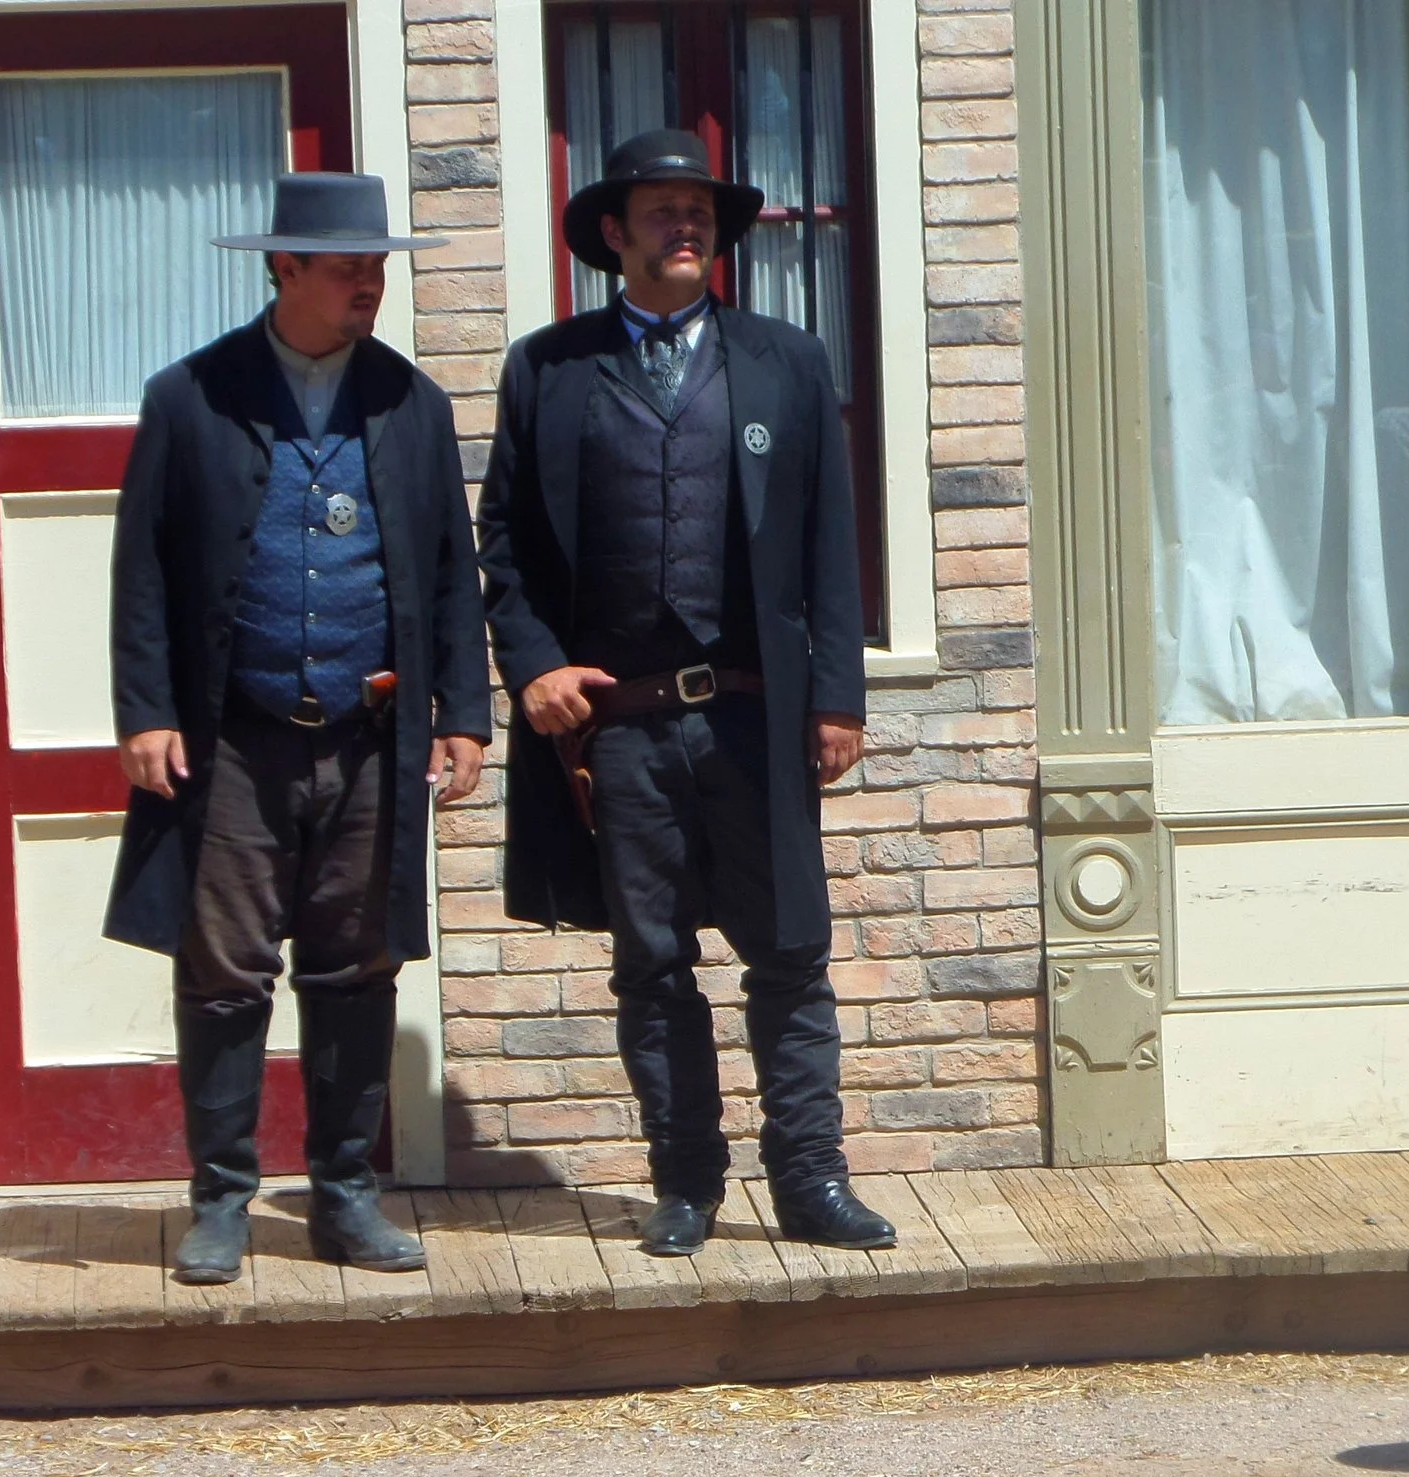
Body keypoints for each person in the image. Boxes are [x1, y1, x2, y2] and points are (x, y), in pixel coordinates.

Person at [477, 129, 894, 1257]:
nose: (684, 226)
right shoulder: (549, 370)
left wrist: (839, 696)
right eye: (660, 210)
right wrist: (534, 665)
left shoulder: (786, 363)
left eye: (699, 212)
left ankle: (810, 1181)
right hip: (621, 727)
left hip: (754, 712)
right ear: (612, 234)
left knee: (789, 952)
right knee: (652, 959)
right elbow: (503, 550)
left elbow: (827, 542)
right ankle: (685, 1184)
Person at [105, 174, 491, 1285]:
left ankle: (344, 1198)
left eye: (376, 265)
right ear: (282, 269)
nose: (367, 282)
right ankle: (221, 1198)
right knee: (223, 968)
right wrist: (145, 712)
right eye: (343, 265)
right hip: (232, 738)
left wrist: (462, 714)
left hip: (368, 740)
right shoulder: (191, 397)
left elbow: (448, 576)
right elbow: (142, 572)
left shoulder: (411, 405)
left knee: (356, 967)